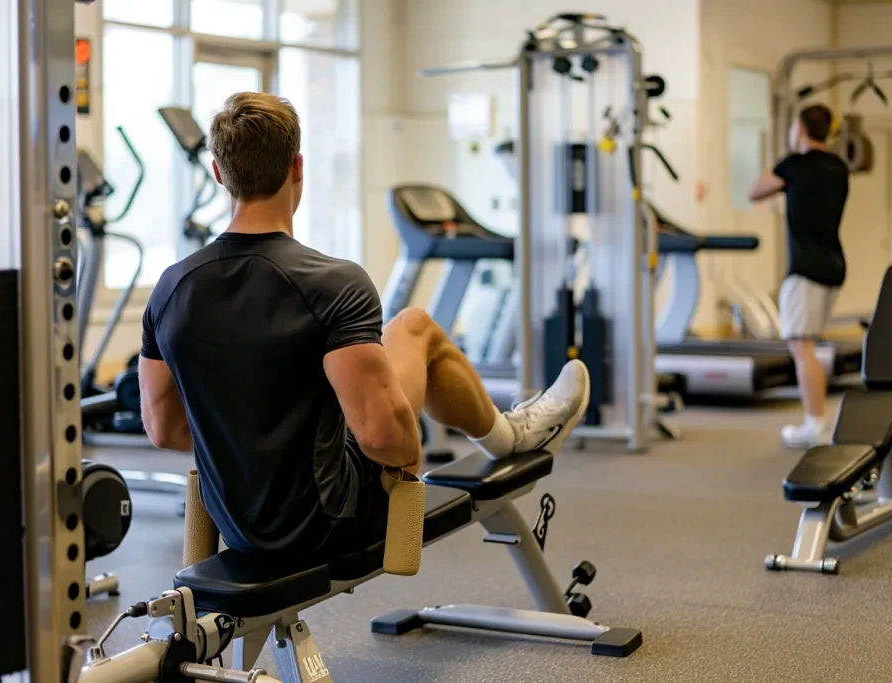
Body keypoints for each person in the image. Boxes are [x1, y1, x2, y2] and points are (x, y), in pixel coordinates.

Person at [138, 92, 591, 556]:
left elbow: (165, 430)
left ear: (218, 173)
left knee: (392, 353)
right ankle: (512, 436)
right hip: (331, 525)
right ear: (297, 168)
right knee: (414, 327)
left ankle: (512, 433)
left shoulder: (171, 288)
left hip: (234, 524)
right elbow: (386, 442)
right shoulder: (333, 283)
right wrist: (401, 452)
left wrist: (251, 450)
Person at [748, 103, 849, 449]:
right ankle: (816, 420)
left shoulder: (794, 165)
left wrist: (787, 157)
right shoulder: (838, 167)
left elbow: (756, 189)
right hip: (834, 266)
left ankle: (815, 426)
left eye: (794, 127)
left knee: (801, 347)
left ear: (801, 130)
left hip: (805, 269)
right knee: (809, 344)